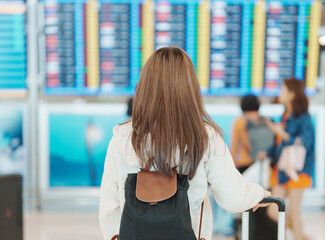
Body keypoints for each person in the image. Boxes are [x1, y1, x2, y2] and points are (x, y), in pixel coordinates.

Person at [99, 47, 270, 240]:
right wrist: (258, 194)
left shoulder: (123, 136)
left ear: (145, 85)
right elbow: (232, 197)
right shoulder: (205, 137)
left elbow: (109, 205)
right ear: (189, 87)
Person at [257, 78, 315, 240]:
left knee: (294, 210)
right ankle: (302, 236)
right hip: (281, 170)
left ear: (292, 94)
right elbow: (279, 145)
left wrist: (281, 133)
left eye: (283, 90)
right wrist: (267, 152)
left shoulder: (303, 117)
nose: (279, 93)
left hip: (298, 170)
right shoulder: (285, 115)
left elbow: (306, 143)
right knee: (273, 210)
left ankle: (298, 236)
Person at [231, 94, 274, 173]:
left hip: (245, 164)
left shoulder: (239, 121)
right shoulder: (267, 120)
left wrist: (232, 169)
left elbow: (234, 147)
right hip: (264, 163)